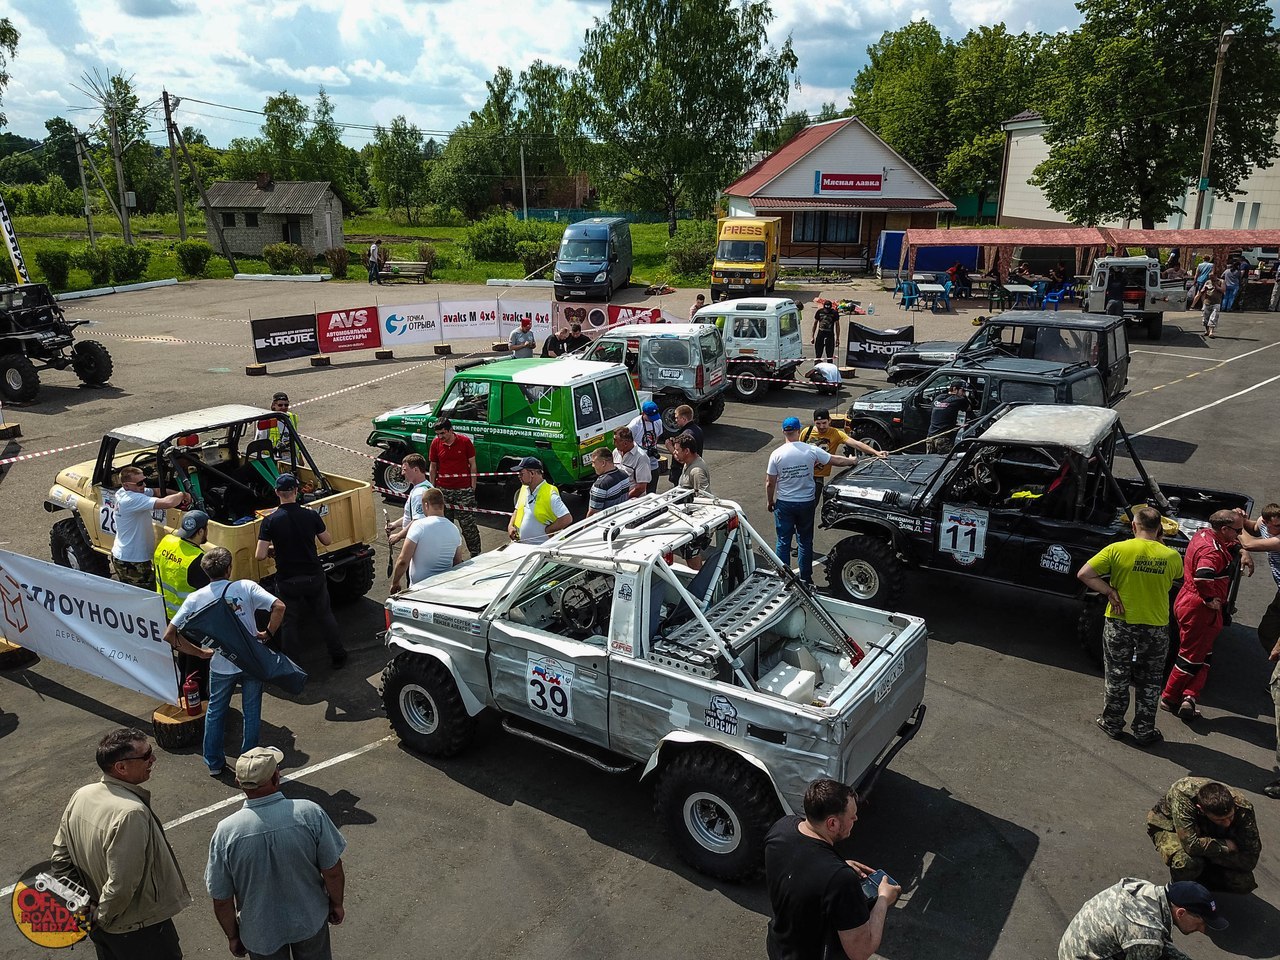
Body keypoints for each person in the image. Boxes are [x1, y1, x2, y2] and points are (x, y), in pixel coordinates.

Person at [51, 728, 193, 959]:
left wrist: (83, 907)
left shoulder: (82, 794)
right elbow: (122, 883)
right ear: (121, 768)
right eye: (146, 755)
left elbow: (59, 858)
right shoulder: (131, 813)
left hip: (103, 926)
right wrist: (101, 918)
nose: (153, 759)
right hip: (139, 930)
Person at [206, 747, 346, 960]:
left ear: (238, 783)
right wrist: (336, 903)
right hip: (309, 919)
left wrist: (233, 936)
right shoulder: (310, 813)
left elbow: (222, 899)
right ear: (276, 777)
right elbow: (333, 871)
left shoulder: (226, 833)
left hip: (260, 932)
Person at [166, 546, 284, 777]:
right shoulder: (246, 587)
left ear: (206, 571)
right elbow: (279, 606)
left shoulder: (195, 598)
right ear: (229, 568)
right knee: (252, 711)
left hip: (220, 664)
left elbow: (169, 635)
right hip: (250, 661)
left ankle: (214, 762)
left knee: (216, 712)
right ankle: (250, 764)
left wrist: (198, 652)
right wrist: (267, 634)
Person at [1076, 507, 1184, 746]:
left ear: (1134, 526)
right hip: (1155, 625)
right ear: (1159, 530)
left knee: (1117, 674)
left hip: (1120, 621)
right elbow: (1179, 576)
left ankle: (1112, 723)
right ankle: (1144, 730)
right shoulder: (1171, 556)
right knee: (1151, 679)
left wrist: (1109, 591)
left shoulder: (1117, 549)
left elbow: (1084, 573)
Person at [764, 778, 899, 960]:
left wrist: (838, 864)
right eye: (852, 817)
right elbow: (860, 951)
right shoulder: (839, 880)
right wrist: (883, 899)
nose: (856, 819)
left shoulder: (781, 828)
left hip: (778, 946)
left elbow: (800, 865)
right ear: (832, 824)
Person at [1161, 510, 1251, 719]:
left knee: (1203, 654)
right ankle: (1170, 697)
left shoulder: (1204, 535)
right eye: (1237, 530)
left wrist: (1241, 550)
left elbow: (1228, 545)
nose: (1239, 534)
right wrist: (1210, 599)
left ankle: (1189, 696)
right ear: (1225, 529)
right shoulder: (1211, 551)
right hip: (1200, 609)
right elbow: (1203, 576)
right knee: (1191, 658)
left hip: (1188, 601)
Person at [255, 474, 348, 668]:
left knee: (289, 623)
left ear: (277, 493)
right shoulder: (310, 515)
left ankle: (293, 665)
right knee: (324, 615)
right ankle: (338, 655)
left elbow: (260, 555)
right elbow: (327, 540)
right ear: (296, 492)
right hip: (313, 575)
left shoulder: (270, 521)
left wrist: (275, 548)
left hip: (288, 580)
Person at [765, 417, 859, 585]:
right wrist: (852, 461)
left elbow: (770, 482)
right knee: (805, 541)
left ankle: (783, 578)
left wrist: (770, 501)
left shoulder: (776, 454)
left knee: (783, 541)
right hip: (806, 502)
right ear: (799, 431)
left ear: (783, 431)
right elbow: (835, 460)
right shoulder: (811, 450)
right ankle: (806, 578)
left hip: (785, 503)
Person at [1057, 878, 1227, 960]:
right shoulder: (1147, 933)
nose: (1202, 930)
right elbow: (1148, 942)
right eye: (1201, 924)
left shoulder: (1145, 890)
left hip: (1079, 946)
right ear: (1180, 913)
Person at [1146, 777, 1262, 893]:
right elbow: (1190, 845)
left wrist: (1209, 852)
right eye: (1220, 820)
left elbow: (1250, 860)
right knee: (1187, 862)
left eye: (1230, 817)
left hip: (1206, 835)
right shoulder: (1183, 794)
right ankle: (1177, 893)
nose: (1227, 823)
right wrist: (1224, 845)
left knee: (1243, 882)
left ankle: (1199, 884)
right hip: (1170, 827)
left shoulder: (1243, 808)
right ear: (1200, 809)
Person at [1241, 502, 1280, 799]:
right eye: (1272, 523)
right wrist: (1241, 519)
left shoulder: (1278, 536)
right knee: (1267, 631)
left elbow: (1250, 541)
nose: (1275, 527)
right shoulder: (1266, 524)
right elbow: (1251, 527)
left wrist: (1237, 536)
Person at [155, 509, 212, 699]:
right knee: (197, 665)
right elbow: (207, 594)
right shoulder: (197, 560)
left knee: (184, 658)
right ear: (201, 532)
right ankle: (197, 704)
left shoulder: (166, 542)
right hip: (191, 619)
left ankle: (183, 693)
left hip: (167, 614)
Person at [110, 466, 191, 587]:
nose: (143, 485)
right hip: (132, 561)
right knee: (144, 597)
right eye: (139, 483)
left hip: (129, 556)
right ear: (126, 485)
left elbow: (156, 492)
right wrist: (182, 495)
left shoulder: (126, 491)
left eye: (144, 481)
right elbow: (167, 503)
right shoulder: (131, 499)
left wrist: (176, 494)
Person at [427, 419, 482, 559]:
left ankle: (476, 554)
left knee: (468, 526)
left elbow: (473, 464)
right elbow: (433, 466)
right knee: (444, 526)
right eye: (438, 434)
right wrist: (432, 488)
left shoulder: (464, 442)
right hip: (444, 490)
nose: (440, 437)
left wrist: (473, 486)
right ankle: (449, 555)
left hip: (463, 490)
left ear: (451, 430)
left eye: (443, 433)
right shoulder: (436, 443)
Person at [390, 488, 463, 592]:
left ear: (426, 505)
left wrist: (395, 582)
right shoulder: (454, 529)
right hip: (444, 588)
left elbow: (403, 561)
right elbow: (457, 562)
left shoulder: (418, 526)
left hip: (420, 589)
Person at [800, 409, 884, 494]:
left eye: (824, 423)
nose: (821, 426)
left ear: (829, 420)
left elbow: (856, 444)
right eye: (818, 423)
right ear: (814, 422)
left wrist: (876, 452)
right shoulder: (806, 432)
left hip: (818, 478)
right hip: (802, 475)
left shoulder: (836, 434)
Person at [506, 457, 572, 546]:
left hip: (542, 549)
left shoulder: (549, 493)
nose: (519, 476)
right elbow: (517, 510)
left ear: (532, 473)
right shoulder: (524, 489)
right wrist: (510, 526)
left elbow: (567, 518)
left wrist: (549, 530)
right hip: (522, 546)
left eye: (521, 474)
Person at [384, 453, 432, 547]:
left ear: (416, 470)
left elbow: (418, 521)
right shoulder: (425, 486)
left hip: (419, 544)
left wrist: (398, 536)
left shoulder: (419, 493)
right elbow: (413, 515)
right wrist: (395, 524)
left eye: (405, 470)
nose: (402, 473)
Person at [629, 400, 665, 494]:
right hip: (639, 464)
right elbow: (628, 443)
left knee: (652, 492)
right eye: (650, 417)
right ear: (643, 413)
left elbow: (657, 437)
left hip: (653, 463)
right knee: (640, 493)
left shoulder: (657, 421)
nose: (652, 419)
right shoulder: (634, 425)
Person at [663, 404, 703, 488]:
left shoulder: (687, 435)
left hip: (684, 476)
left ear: (684, 419)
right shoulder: (698, 430)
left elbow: (682, 459)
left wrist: (670, 447)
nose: (675, 420)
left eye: (677, 418)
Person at [925, 380, 970, 454]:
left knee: (930, 461)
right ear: (955, 389)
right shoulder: (959, 399)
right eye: (963, 390)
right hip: (943, 439)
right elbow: (969, 408)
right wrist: (966, 398)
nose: (964, 393)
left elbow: (940, 412)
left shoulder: (938, 398)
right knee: (946, 462)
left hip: (930, 437)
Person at [585, 448, 632, 517]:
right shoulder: (625, 475)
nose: (593, 466)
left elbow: (593, 513)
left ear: (603, 463)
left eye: (594, 462)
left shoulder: (600, 485)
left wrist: (585, 527)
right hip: (623, 517)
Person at [254, 392, 298, 463]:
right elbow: (259, 443)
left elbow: (295, 442)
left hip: (291, 458)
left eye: (286, 405)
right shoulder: (266, 421)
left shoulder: (291, 418)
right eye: (280, 405)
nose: (283, 407)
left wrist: (299, 458)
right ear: (274, 405)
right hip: (273, 459)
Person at [611, 427, 652, 498]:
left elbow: (641, 488)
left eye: (615, 440)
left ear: (625, 443)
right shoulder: (615, 452)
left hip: (633, 502)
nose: (613, 443)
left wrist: (624, 500)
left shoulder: (641, 458)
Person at [1199, 268, 1224, 337]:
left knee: (1213, 317)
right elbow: (1201, 291)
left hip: (1216, 302)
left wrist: (1215, 285)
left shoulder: (1221, 281)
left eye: (1212, 277)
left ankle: (1211, 332)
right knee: (1205, 318)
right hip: (1207, 302)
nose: (1211, 279)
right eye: (1210, 277)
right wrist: (1205, 289)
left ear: (1216, 276)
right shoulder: (1207, 282)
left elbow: (1223, 290)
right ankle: (1207, 330)